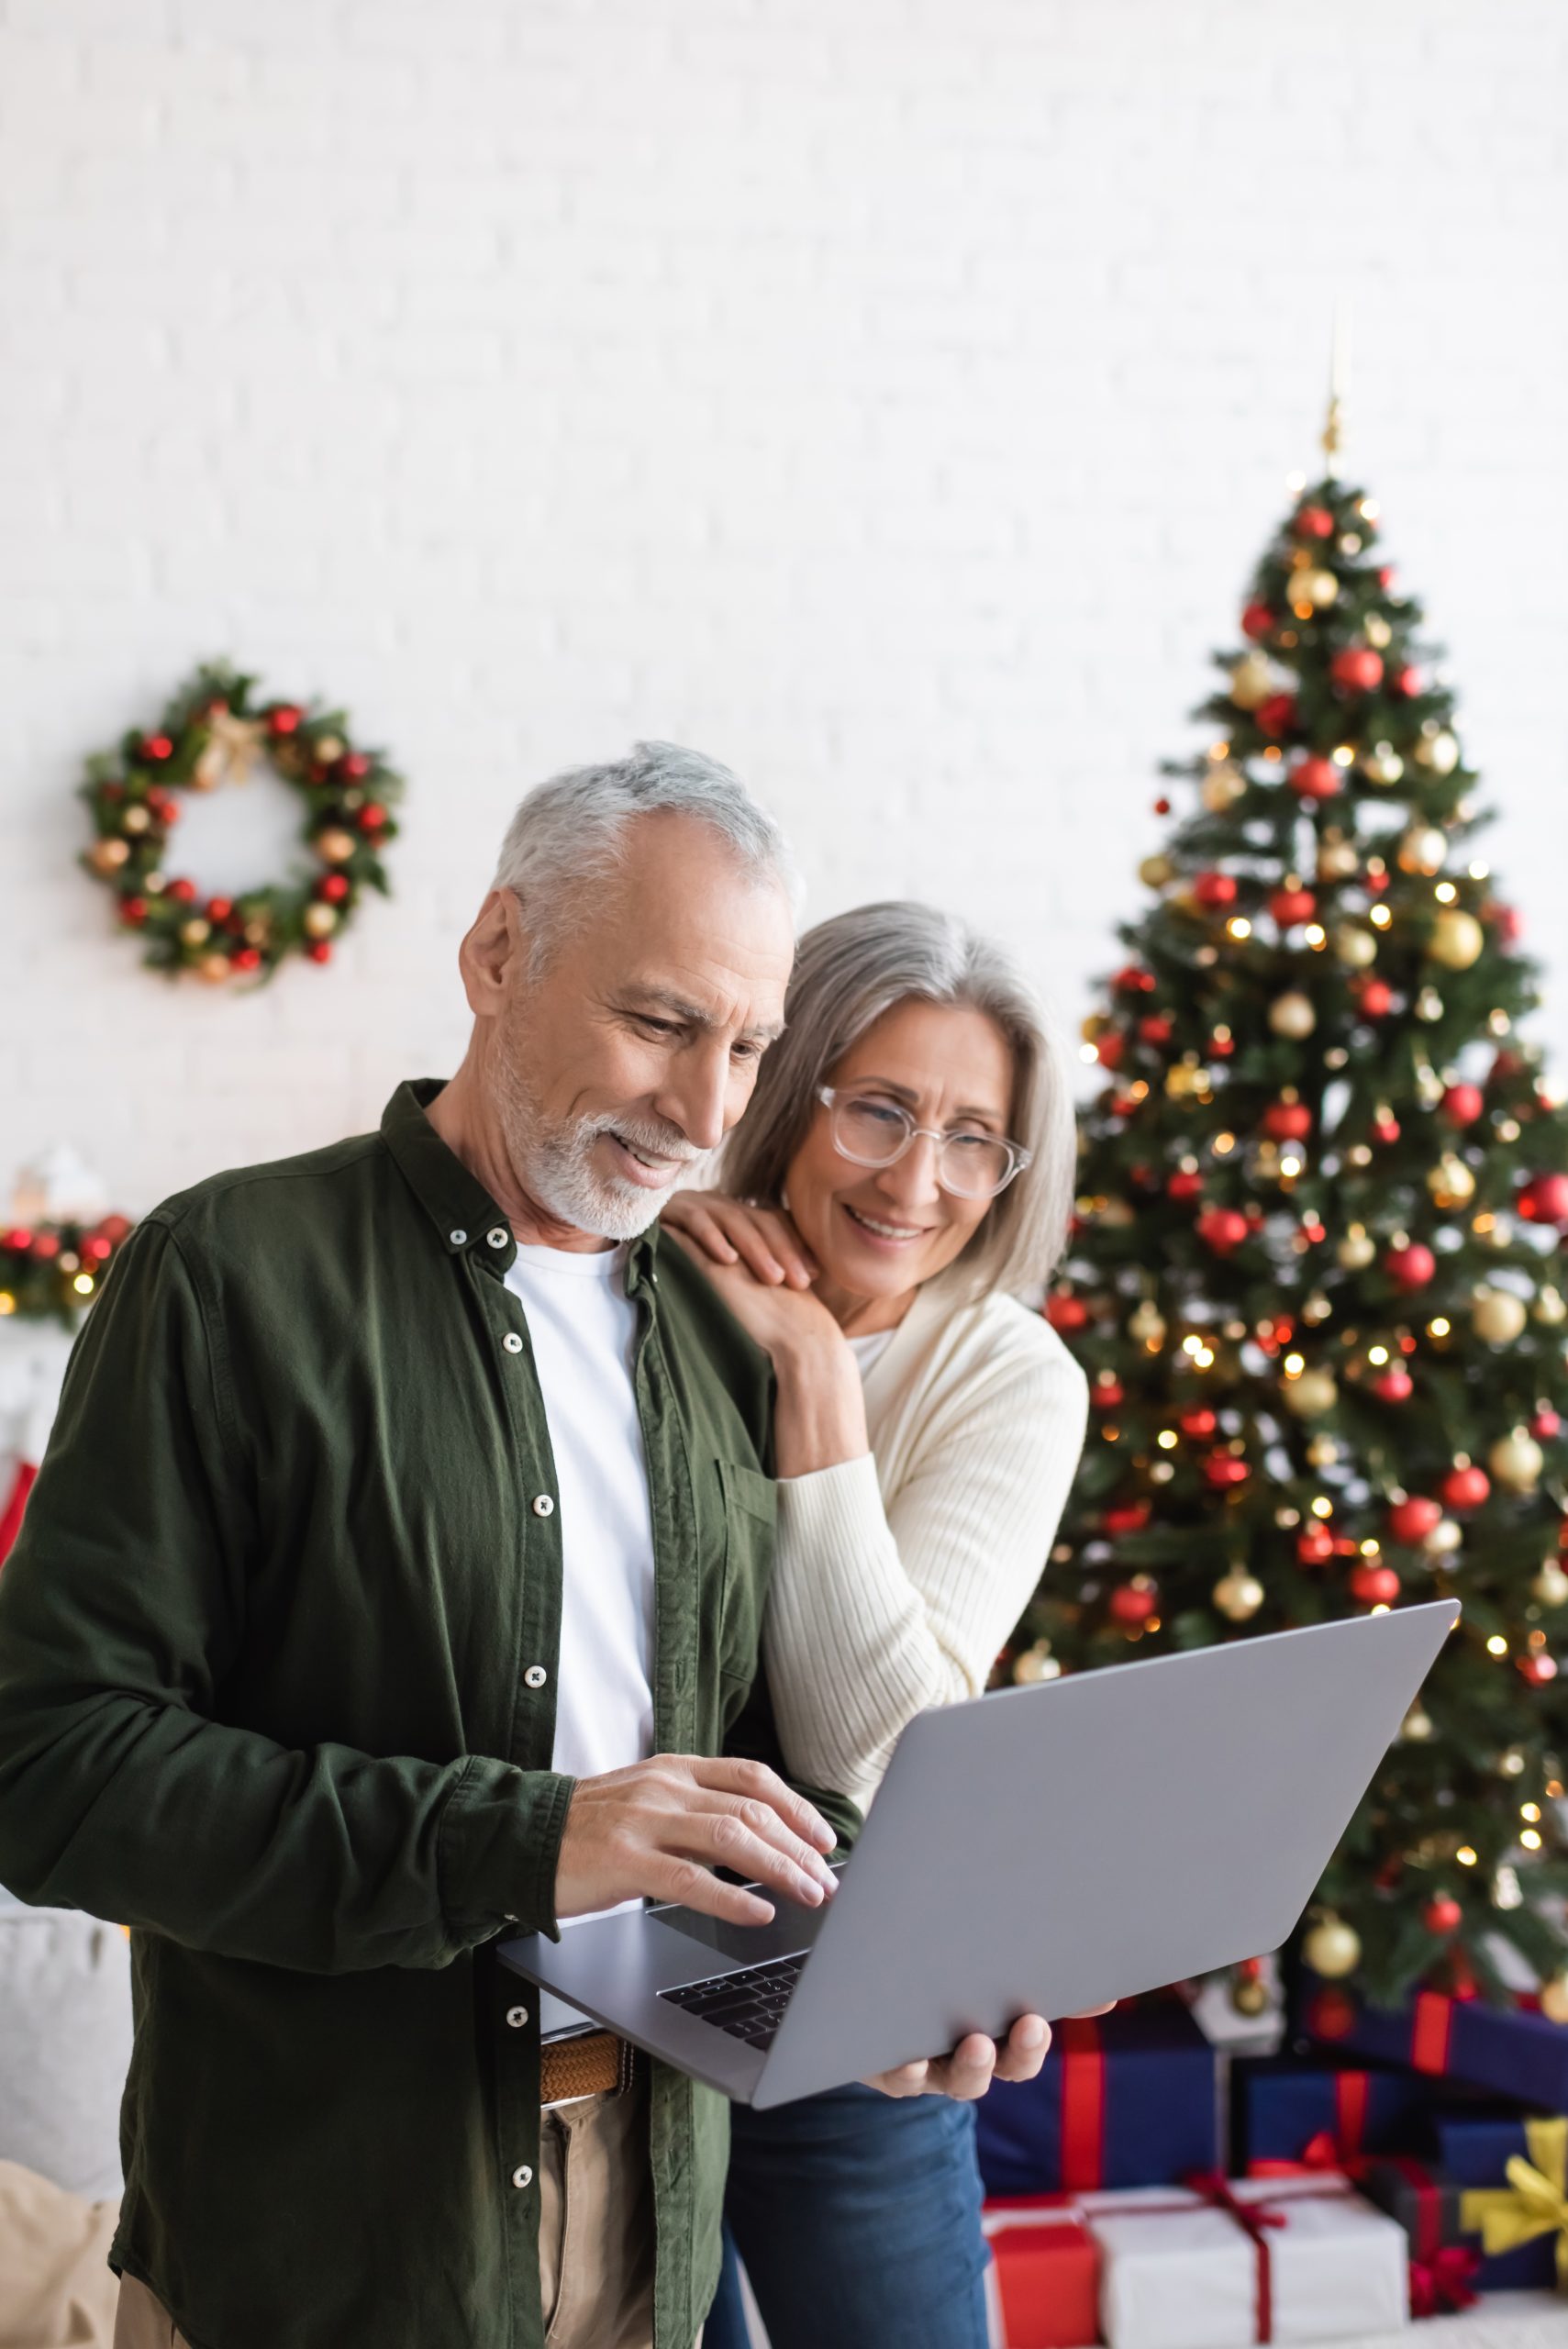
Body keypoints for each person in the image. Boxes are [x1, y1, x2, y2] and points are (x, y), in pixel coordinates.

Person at [0, 753, 1051, 2349]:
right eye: (660, 1023)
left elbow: (747, 1784)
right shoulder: (230, 1276)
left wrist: (878, 1985)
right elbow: (53, 1773)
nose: (708, 1114)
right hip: (326, 2253)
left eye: (751, 1047)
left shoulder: (717, 1333)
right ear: (497, 955)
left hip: (649, 2241)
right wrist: (525, 1840)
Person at [662, 901, 1091, 2349]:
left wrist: (815, 1381)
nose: (921, 1179)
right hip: (612, 1985)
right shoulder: (642, 1287)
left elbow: (882, 1752)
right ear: (789, 1097)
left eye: (975, 1136)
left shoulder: (1004, 1374)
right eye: (880, 1112)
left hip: (860, 2015)